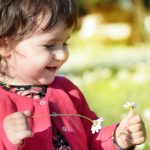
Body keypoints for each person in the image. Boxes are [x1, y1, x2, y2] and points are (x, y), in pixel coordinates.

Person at [0, 0, 146, 150]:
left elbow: (91, 137)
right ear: (6, 45)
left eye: (65, 44)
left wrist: (117, 138)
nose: (61, 54)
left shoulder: (67, 91)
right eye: (49, 45)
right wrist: (6, 139)